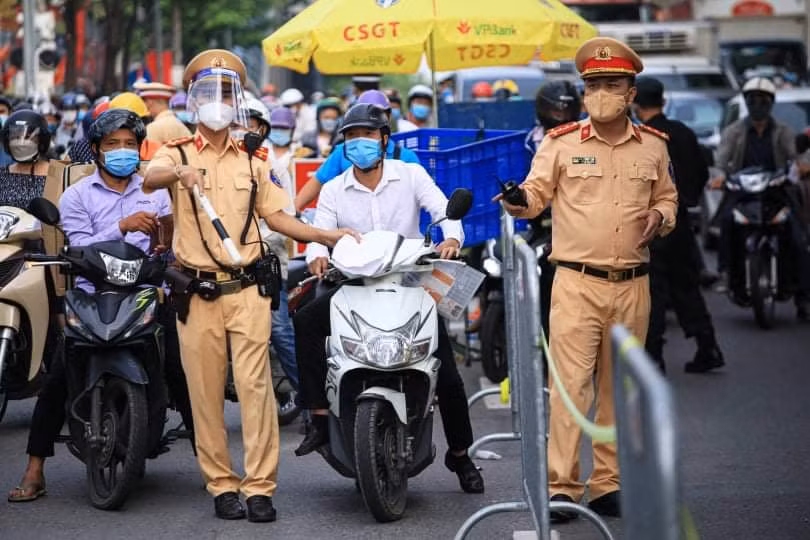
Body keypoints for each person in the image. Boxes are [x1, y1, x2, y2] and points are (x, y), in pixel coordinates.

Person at [143, 49, 355, 522]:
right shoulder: (175, 151)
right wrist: (179, 173)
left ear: (235, 99)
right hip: (196, 294)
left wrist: (324, 234)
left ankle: (260, 487)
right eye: (206, 92)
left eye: (224, 92)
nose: (215, 101)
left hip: (247, 289)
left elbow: (277, 216)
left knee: (257, 390)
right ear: (192, 99)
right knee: (204, 390)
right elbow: (148, 178)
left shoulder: (255, 156)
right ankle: (221, 484)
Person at [497, 37, 678, 520]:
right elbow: (535, 195)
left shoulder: (655, 148)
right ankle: (561, 486)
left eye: (611, 84)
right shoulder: (561, 144)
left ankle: (607, 483)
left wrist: (659, 216)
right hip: (576, 283)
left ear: (630, 91)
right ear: (583, 92)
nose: (600, 92)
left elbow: (669, 199)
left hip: (634, 283)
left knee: (619, 389)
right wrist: (518, 200)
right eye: (593, 84)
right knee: (570, 388)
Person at [292, 103, 485, 495]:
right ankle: (315, 416)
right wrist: (316, 258)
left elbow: (443, 210)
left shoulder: (410, 175)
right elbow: (318, 234)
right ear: (342, 146)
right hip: (353, 283)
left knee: (445, 371)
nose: (358, 144)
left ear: (383, 140)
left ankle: (461, 455)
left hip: (412, 280)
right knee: (306, 322)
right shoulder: (333, 190)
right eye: (350, 138)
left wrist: (451, 238)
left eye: (366, 136)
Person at [7, 109, 194, 503]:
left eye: (129, 144)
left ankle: (213, 467)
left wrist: (166, 246)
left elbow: (171, 244)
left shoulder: (156, 190)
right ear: (96, 150)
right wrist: (122, 228)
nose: (122, 151)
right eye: (113, 145)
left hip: (144, 292)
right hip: (92, 293)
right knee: (57, 376)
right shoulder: (76, 195)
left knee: (181, 369)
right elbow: (78, 243)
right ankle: (35, 469)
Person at [631, 76, 725, 374]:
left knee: (652, 291)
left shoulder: (639, 137)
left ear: (635, 103)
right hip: (680, 221)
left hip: (650, 224)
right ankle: (707, 346)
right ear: (663, 101)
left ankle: (654, 359)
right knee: (687, 285)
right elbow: (700, 172)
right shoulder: (682, 133)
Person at [712, 76, 809, 319]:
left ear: (770, 103)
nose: (758, 105)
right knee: (725, 223)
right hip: (743, 192)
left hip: (777, 192)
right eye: (753, 100)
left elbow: (797, 156)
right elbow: (720, 161)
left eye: (763, 100)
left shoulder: (784, 131)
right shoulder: (733, 131)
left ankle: (803, 299)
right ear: (747, 102)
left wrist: (803, 166)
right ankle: (726, 274)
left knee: (799, 238)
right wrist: (719, 177)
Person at [293, 90, 421, 212]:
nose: (371, 120)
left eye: (378, 114)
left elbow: (423, 198)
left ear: (388, 117)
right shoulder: (342, 151)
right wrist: (293, 210)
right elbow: (318, 181)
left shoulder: (406, 158)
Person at [0, 110, 52, 207]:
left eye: (28, 137)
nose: (21, 142)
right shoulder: (2, 175)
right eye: (15, 137)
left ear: (42, 140)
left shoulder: (56, 175)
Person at [527, 80, 581, 153]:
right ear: (545, 110)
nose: (563, 116)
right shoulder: (532, 141)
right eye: (557, 111)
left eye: (567, 111)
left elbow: (592, 161)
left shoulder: (585, 136)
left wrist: (573, 161)